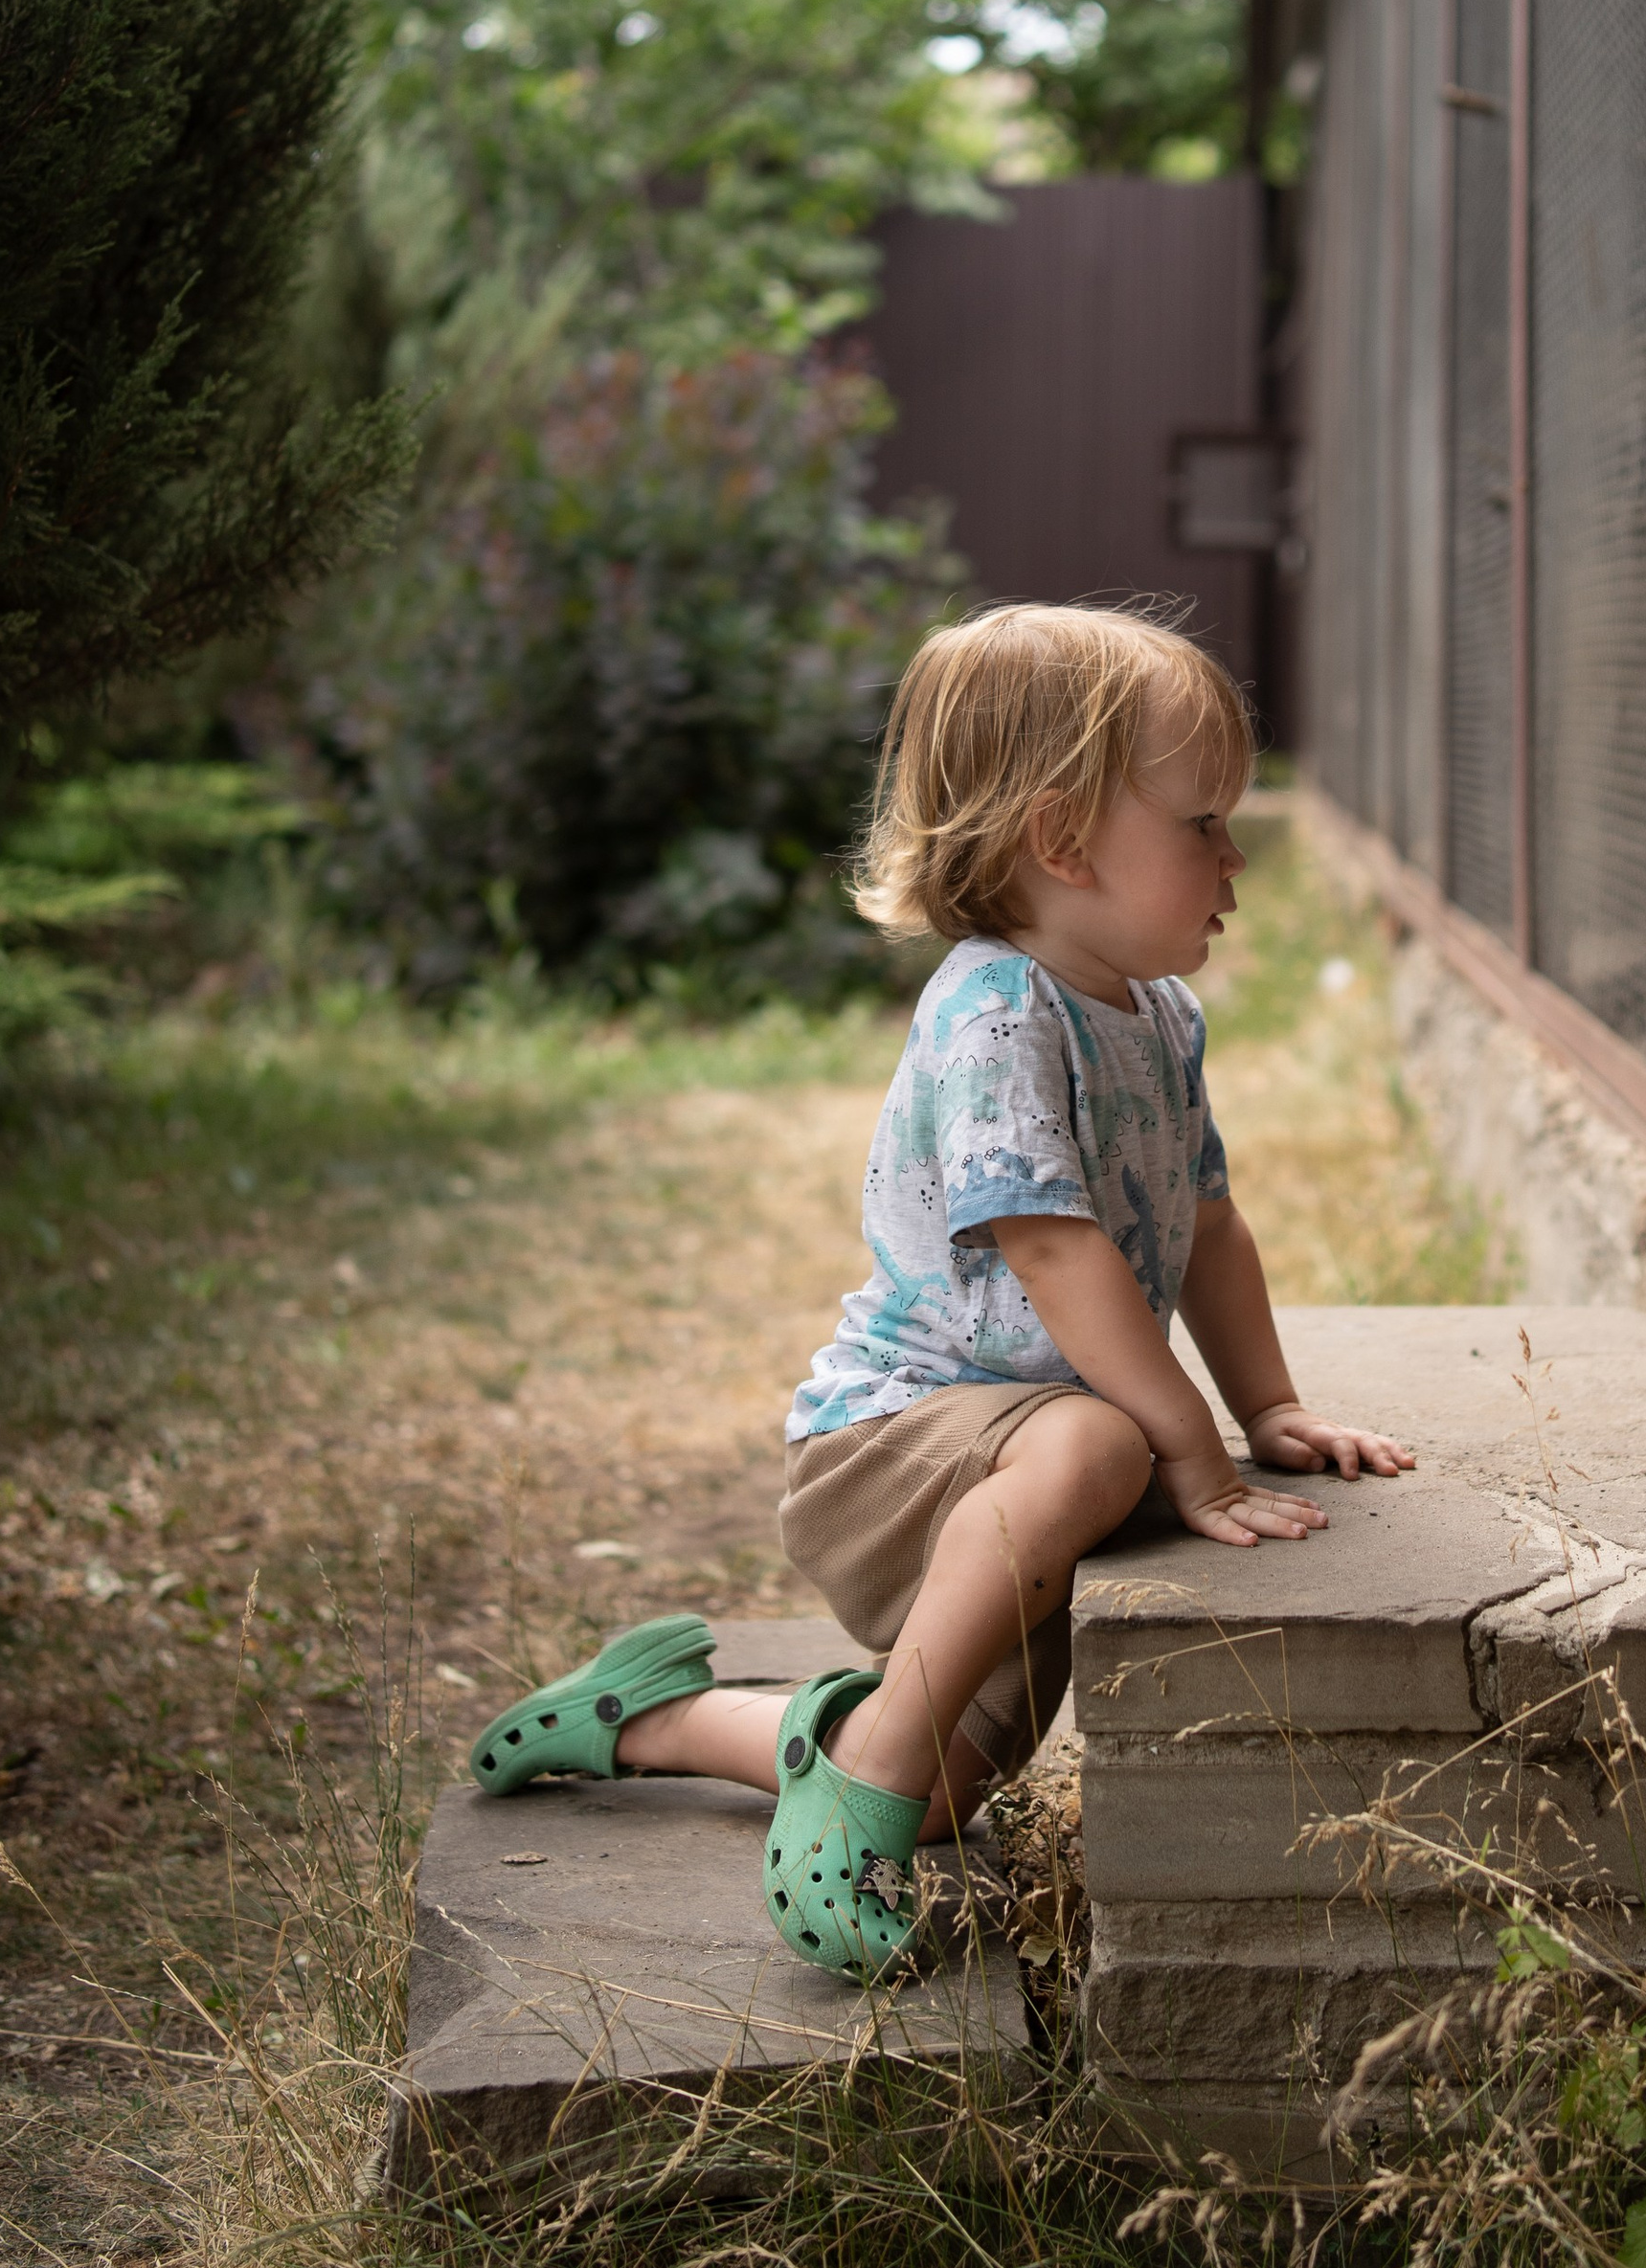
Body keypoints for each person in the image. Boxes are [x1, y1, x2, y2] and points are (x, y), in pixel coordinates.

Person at [467, 602, 1412, 1978]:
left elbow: (1207, 1221)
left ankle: (643, 1718)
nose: (1235, 859)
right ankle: (849, 1811)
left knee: (957, 1795)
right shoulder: (994, 1012)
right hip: (896, 1451)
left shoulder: (1161, 1017)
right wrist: (1191, 1454)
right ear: (1063, 840)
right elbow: (1052, 1248)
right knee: (1103, 1439)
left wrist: (1265, 1404)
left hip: (1017, 1468)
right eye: (1205, 823)